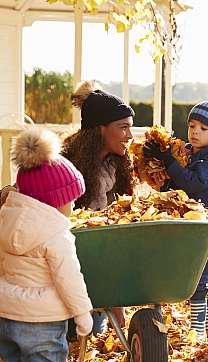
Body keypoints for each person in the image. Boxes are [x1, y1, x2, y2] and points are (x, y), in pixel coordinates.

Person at [0, 128, 93, 362]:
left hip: (5, 311)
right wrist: (83, 314)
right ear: (55, 200)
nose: (73, 206)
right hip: (41, 319)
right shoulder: (56, 234)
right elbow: (69, 278)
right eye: (71, 200)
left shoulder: (5, 218)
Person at [143, 100, 208, 341]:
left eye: (203, 128)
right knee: (192, 275)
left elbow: (193, 183)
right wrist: (161, 164)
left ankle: (198, 331)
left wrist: (170, 162)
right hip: (192, 226)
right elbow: (178, 186)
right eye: (192, 125)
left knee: (199, 280)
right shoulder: (188, 154)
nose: (195, 132)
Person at [62, 80, 135, 335]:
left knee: (94, 328)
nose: (130, 134)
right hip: (70, 257)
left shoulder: (116, 166)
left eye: (130, 127)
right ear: (100, 129)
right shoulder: (66, 165)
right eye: (123, 127)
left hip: (104, 253)